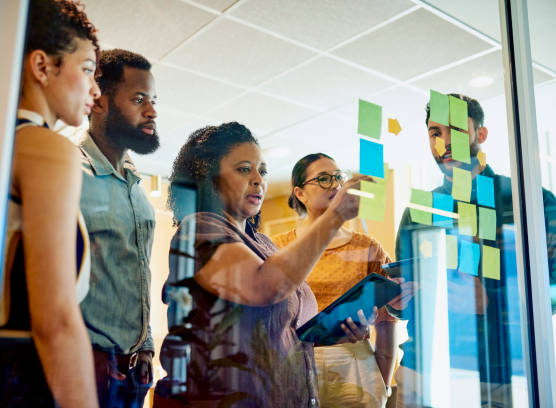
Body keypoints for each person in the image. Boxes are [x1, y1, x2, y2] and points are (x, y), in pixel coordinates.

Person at [154, 122, 367, 408]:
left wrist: (334, 331)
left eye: (262, 171)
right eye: (244, 169)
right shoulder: (199, 230)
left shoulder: (265, 244)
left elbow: (287, 329)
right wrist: (335, 216)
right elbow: (265, 286)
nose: (258, 180)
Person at [390, 93, 556, 407]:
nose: (444, 142)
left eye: (454, 129)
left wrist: (492, 301)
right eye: (435, 132)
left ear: (481, 134)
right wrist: (398, 301)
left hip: (500, 374)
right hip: (423, 371)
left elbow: (554, 289)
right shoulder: (419, 212)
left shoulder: (528, 199)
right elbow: (407, 299)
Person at [0, 0, 101, 406]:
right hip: (21, 381)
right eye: (87, 69)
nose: (95, 89)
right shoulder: (47, 148)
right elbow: (55, 320)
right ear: (42, 67)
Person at [271, 153, 398, 408]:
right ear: (300, 193)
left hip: (356, 362)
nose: (335, 185)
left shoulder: (368, 248)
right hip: (296, 364)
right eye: (324, 179)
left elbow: (387, 323)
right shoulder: (279, 247)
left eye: (338, 177)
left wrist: (381, 382)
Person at [78, 48, 158, 408]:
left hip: (132, 374)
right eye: (138, 98)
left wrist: (146, 347)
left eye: (153, 100)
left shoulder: (137, 188)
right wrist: (79, 351)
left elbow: (138, 272)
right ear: (98, 101)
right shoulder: (69, 173)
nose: (152, 110)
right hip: (84, 366)